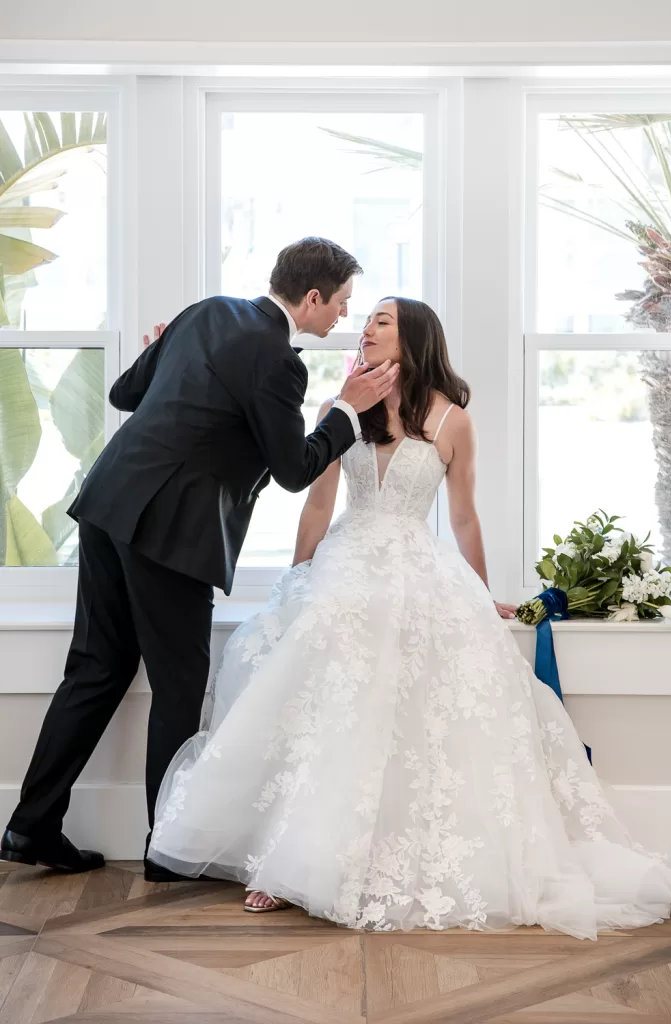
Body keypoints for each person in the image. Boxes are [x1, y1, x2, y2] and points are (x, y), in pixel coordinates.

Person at [148, 296, 671, 938]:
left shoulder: (454, 420)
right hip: (346, 558)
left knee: (409, 677)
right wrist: (298, 575)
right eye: (365, 318)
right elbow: (317, 507)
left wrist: (481, 597)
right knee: (323, 660)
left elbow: (462, 517)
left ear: (411, 341)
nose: (365, 328)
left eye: (380, 321)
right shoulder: (338, 408)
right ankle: (286, 861)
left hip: (416, 565)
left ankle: (383, 853)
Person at [0, 238, 399, 882]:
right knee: (180, 685)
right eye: (342, 305)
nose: (343, 321)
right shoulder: (279, 360)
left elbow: (126, 394)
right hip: (170, 531)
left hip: (109, 503)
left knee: (95, 668)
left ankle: (30, 824)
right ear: (314, 297)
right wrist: (350, 409)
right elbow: (295, 470)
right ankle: (168, 847)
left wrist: (165, 347)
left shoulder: (206, 310)